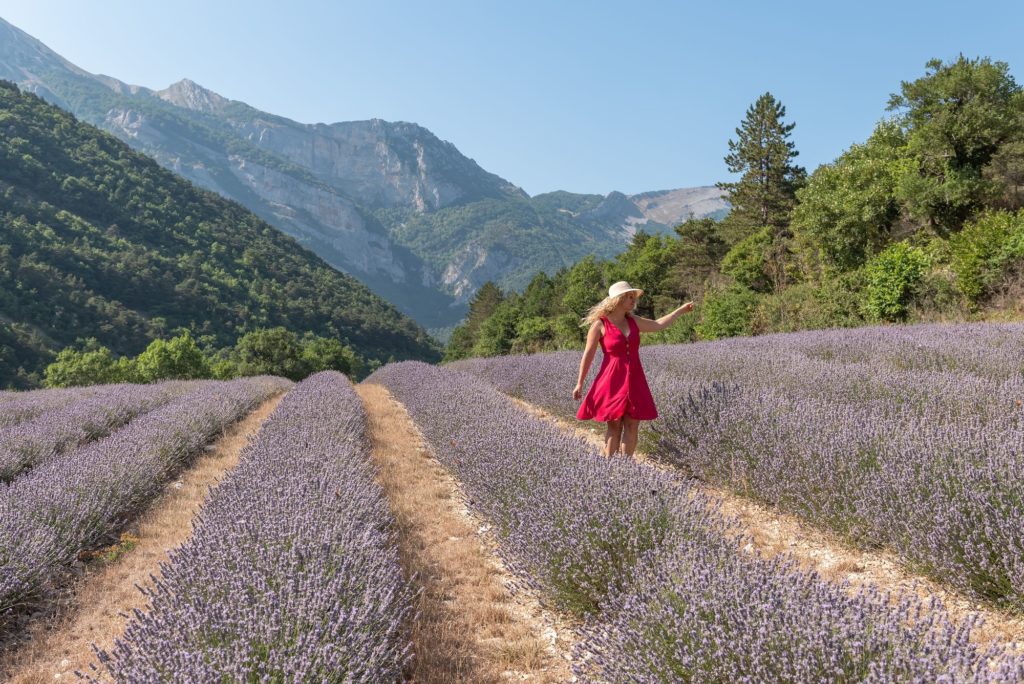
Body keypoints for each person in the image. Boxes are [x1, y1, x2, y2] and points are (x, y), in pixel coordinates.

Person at [572, 281, 693, 457]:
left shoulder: (634, 321)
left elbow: (658, 324)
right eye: (628, 297)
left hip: (635, 378)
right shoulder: (600, 325)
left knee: (632, 423)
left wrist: (680, 311)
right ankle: (609, 468)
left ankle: (626, 469)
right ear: (617, 299)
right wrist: (579, 383)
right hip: (612, 379)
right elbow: (588, 355)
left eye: (633, 297)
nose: (632, 300)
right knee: (614, 425)